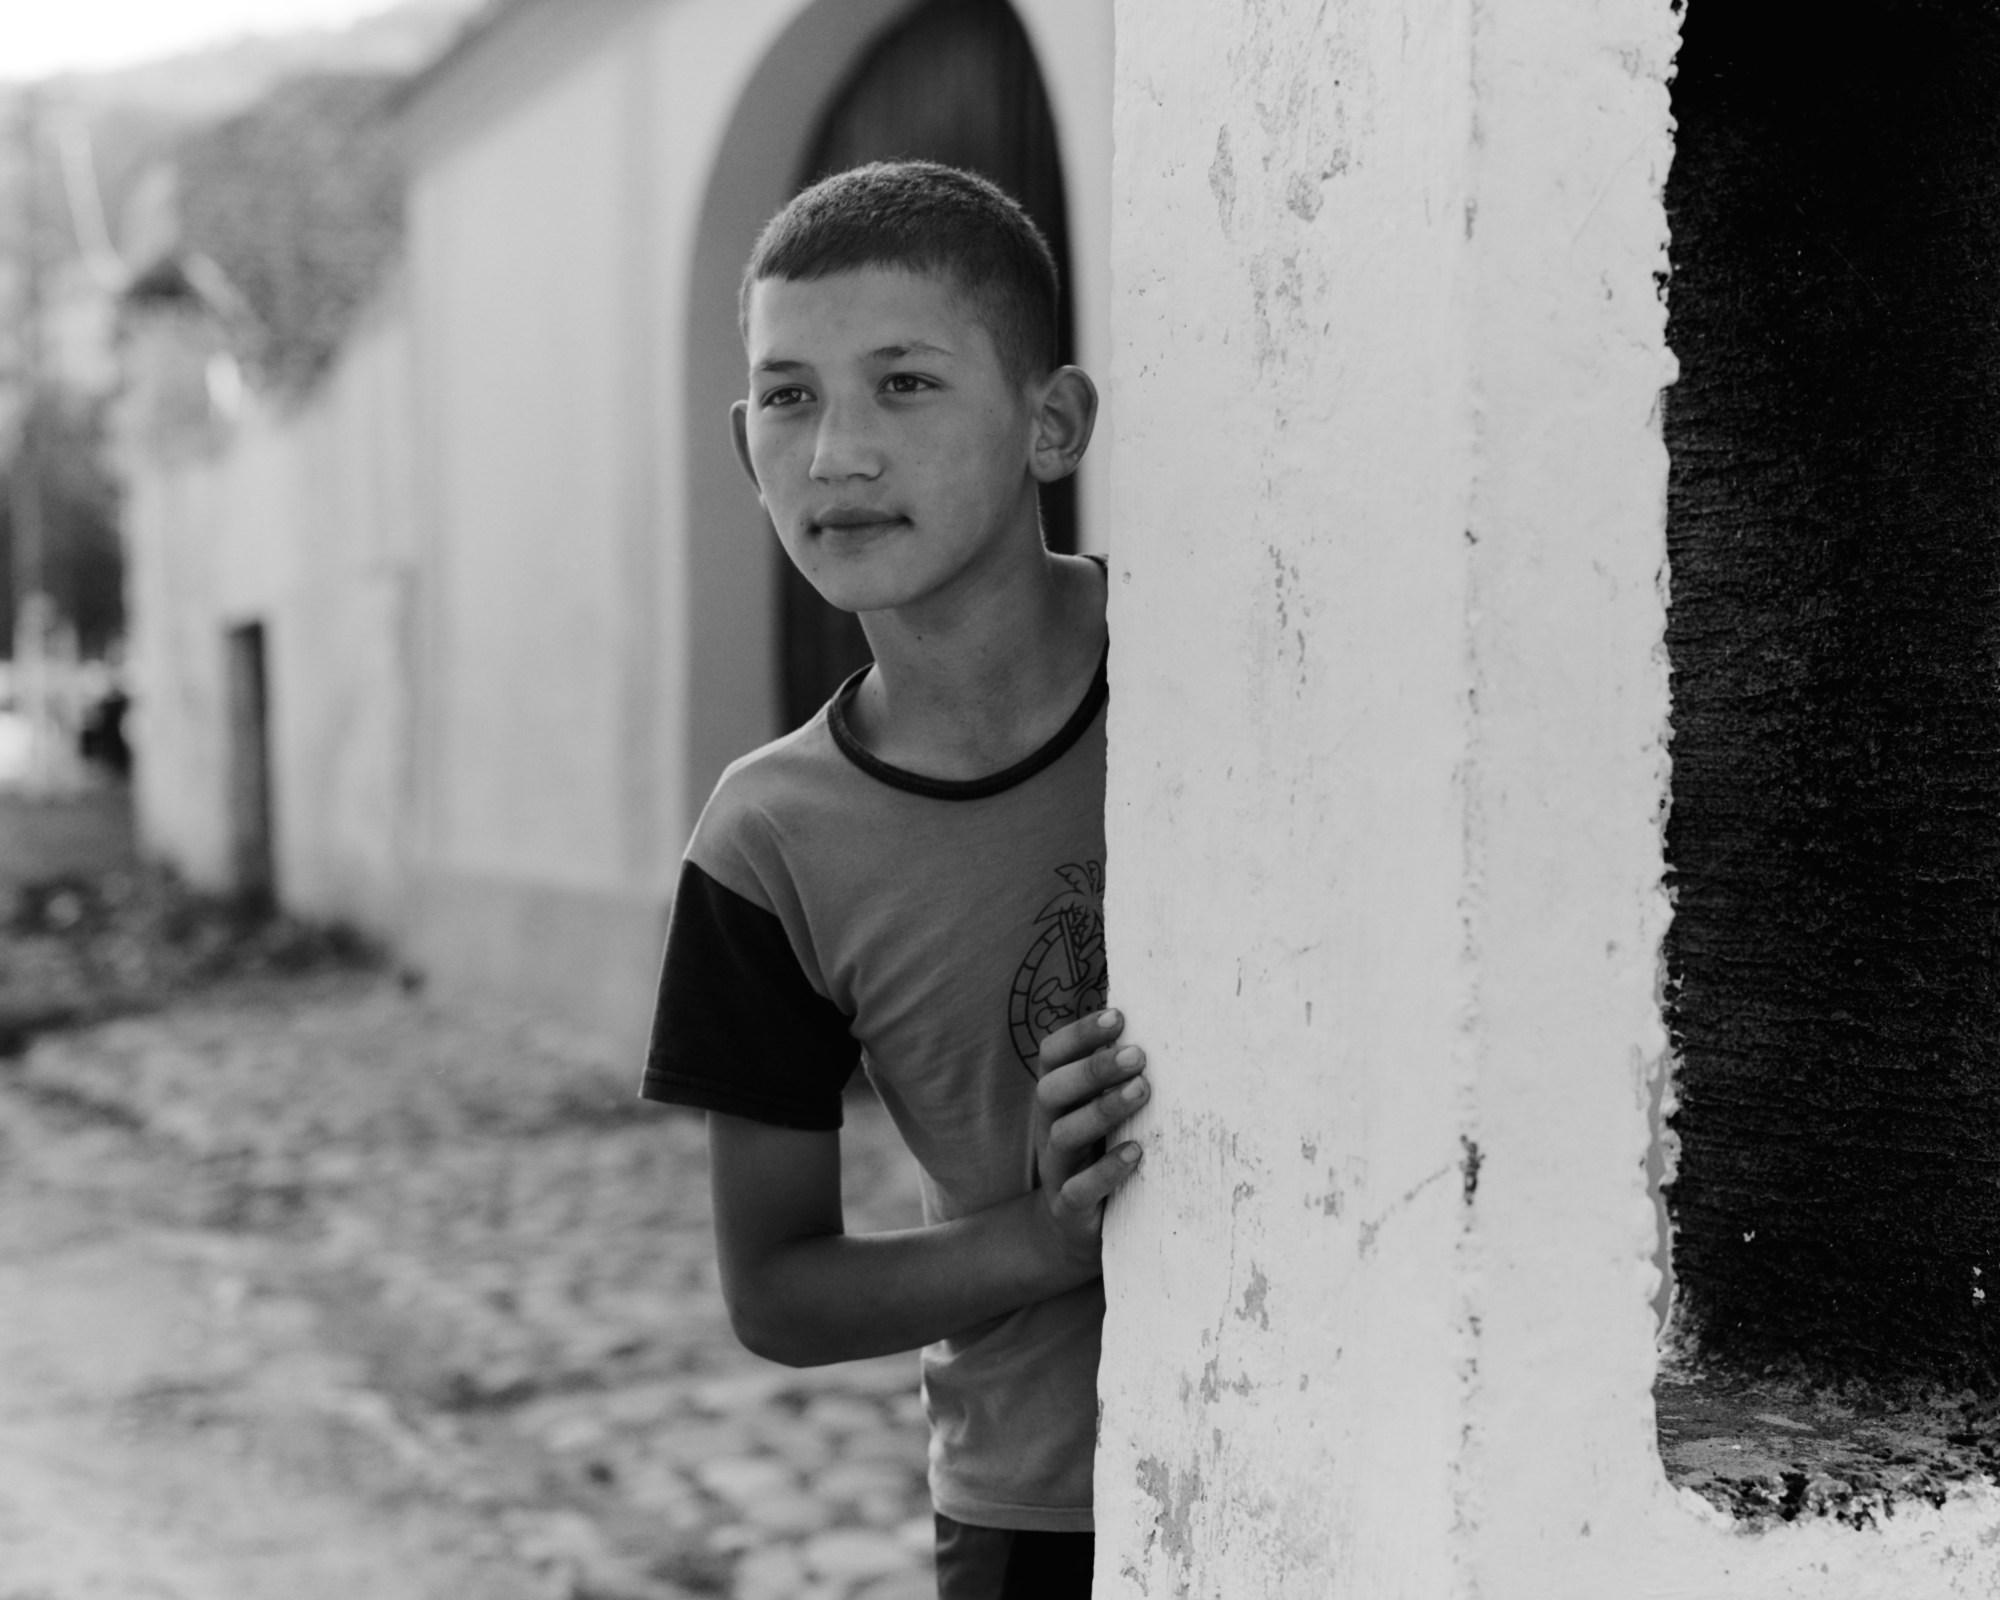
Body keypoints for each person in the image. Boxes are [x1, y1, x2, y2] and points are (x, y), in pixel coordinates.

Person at [641, 161, 1149, 1599]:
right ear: (747, 444)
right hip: (1037, 1520)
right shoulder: (768, 843)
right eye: (789, 398)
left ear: (1053, 422)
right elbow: (780, 1292)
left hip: (1365, 1455)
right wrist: (1044, 1239)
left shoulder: (1230, 670)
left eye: (906, 385)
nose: (838, 454)